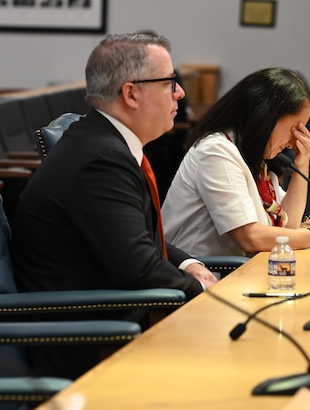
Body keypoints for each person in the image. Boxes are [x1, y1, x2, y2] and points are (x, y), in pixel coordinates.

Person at [11, 32, 218, 378]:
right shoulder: (101, 160)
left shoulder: (103, 144)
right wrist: (206, 292)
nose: (180, 92)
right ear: (131, 93)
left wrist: (191, 264)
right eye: (170, 82)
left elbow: (139, 241)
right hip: (92, 342)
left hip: (113, 319)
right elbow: (138, 268)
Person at [163, 68, 310, 257]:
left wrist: (302, 163)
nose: (293, 143)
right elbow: (250, 238)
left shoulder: (256, 156)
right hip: (202, 278)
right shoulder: (216, 151)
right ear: (266, 117)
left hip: (237, 273)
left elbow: (289, 225)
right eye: (293, 130)